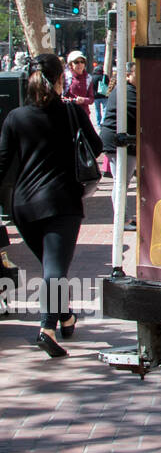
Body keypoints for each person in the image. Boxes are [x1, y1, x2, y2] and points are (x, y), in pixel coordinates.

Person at [0, 53, 103, 357]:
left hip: (24, 208)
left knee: (51, 269)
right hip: (61, 203)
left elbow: (2, 164)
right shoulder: (72, 113)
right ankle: (47, 327)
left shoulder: (15, 118)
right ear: (61, 79)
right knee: (54, 270)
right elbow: (96, 148)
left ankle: (67, 316)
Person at [99, 63, 137, 232]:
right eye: (139, 72)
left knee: (122, 181)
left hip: (119, 142)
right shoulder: (127, 92)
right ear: (128, 75)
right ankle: (123, 220)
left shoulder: (127, 90)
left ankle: (124, 218)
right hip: (119, 144)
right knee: (121, 182)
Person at [63, 50, 93, 121]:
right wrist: (72, 100)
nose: (80, 64)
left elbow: (91, 99)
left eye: (82, 62)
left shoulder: (88, 78)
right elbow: (61, 97)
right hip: (69, 115)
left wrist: (83, 100)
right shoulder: (65, 77)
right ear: (71, 65)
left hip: (84, 115)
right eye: (76, 62)